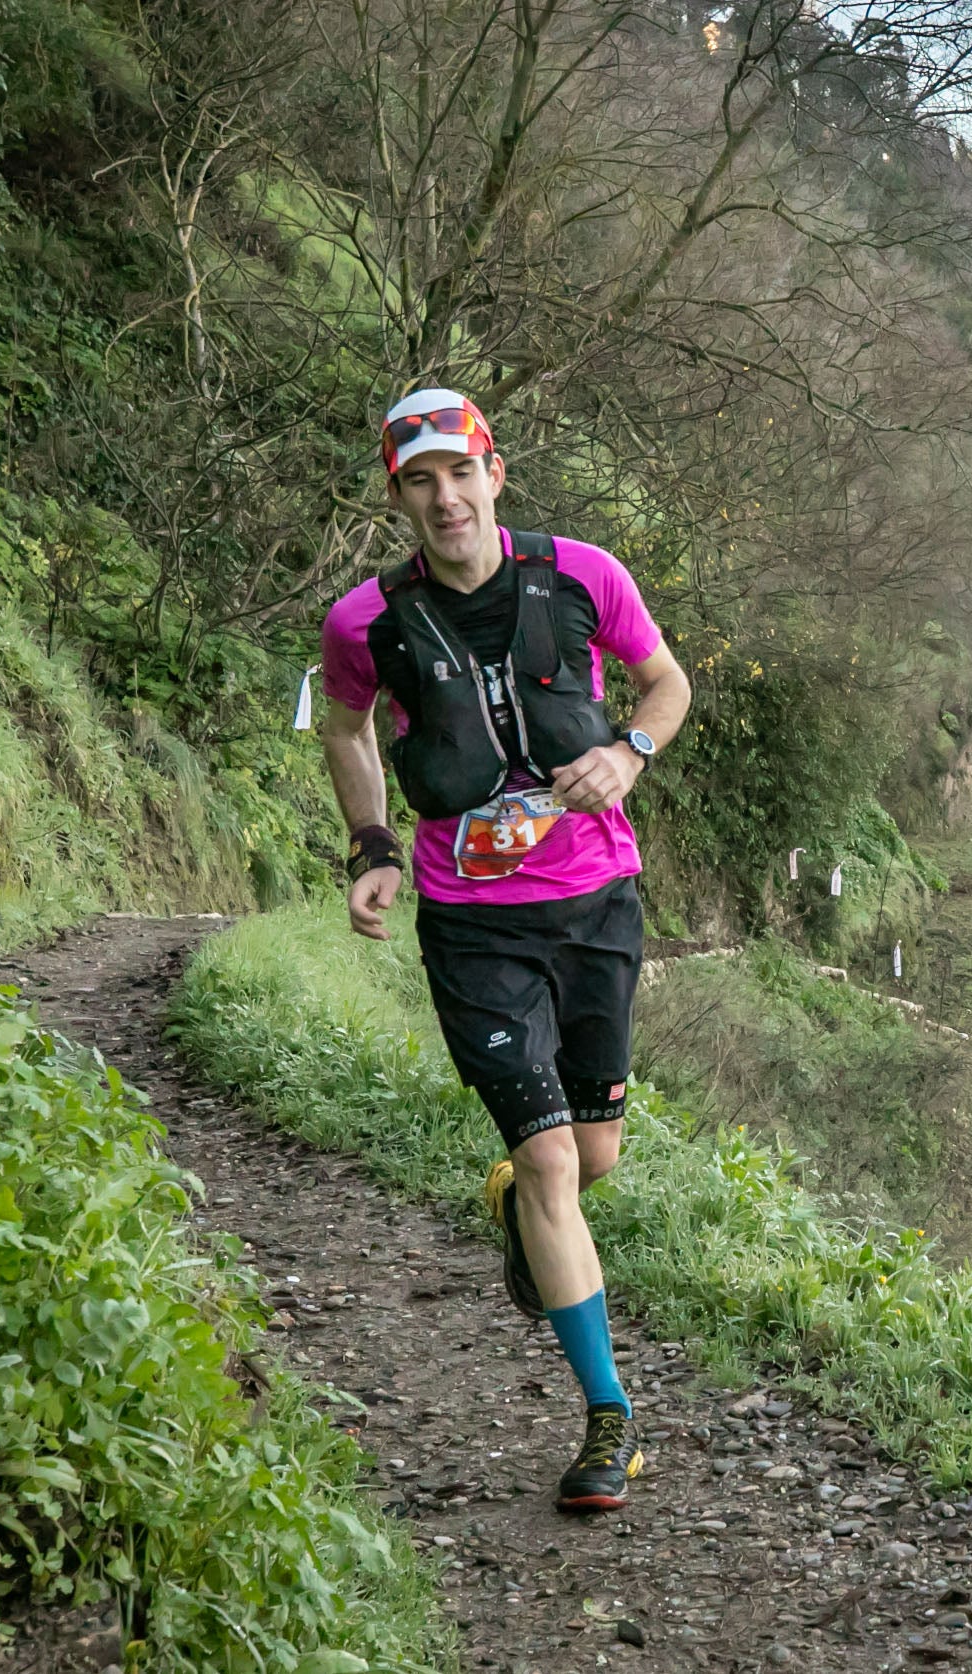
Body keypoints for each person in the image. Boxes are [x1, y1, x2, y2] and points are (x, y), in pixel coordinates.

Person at [317, 387, 691, 1512]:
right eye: (418, 481)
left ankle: (528, 1203)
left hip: (596, 907)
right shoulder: (363, 624)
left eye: (458, 473)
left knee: (595, 1156)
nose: (444, 498)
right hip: (472, 924)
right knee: (550, 1163)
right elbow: (343, 731)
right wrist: (372, 844)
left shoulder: (584, 574)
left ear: (494, 473)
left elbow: (667, 683)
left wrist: (628, 752)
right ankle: (608, 1421)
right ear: (398, 496)